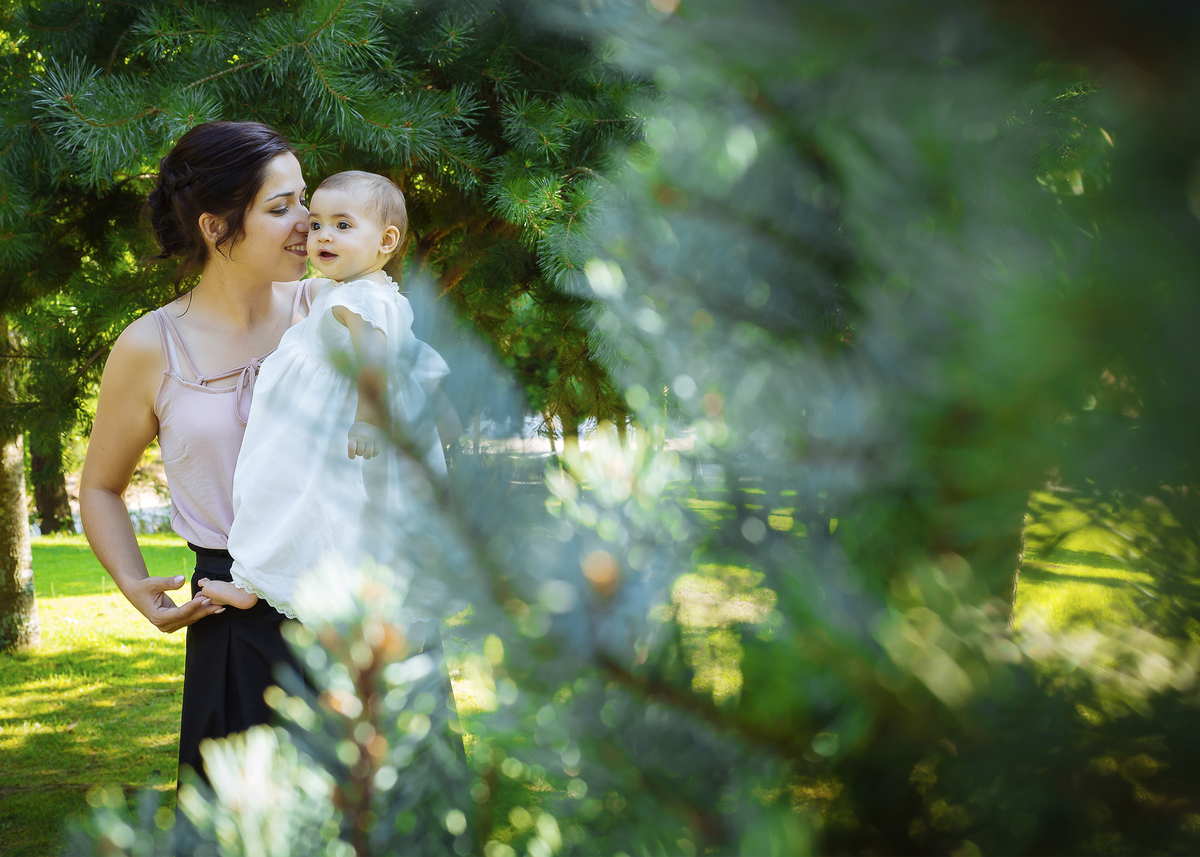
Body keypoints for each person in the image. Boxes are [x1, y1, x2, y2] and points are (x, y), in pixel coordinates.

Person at [78, 121, 313, 783]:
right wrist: (135, 585)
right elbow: (99, 486)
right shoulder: (150, 346)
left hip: (354, 606)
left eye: (305, 197)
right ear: (216, 227)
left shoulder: (334, 310)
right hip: (234, 622)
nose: (307, 220)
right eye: (280, 207)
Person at [198, 171, 451, 620]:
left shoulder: (363, 299)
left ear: (387, 240)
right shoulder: (356, 291)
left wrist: (368, 419)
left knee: (291, 506)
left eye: (343, 225)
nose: (321, 236)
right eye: (316, 224)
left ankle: (252, 583)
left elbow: (375, 361)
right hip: (320, 429)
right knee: (296, 509)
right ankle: (256, 583)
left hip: (325, 435)